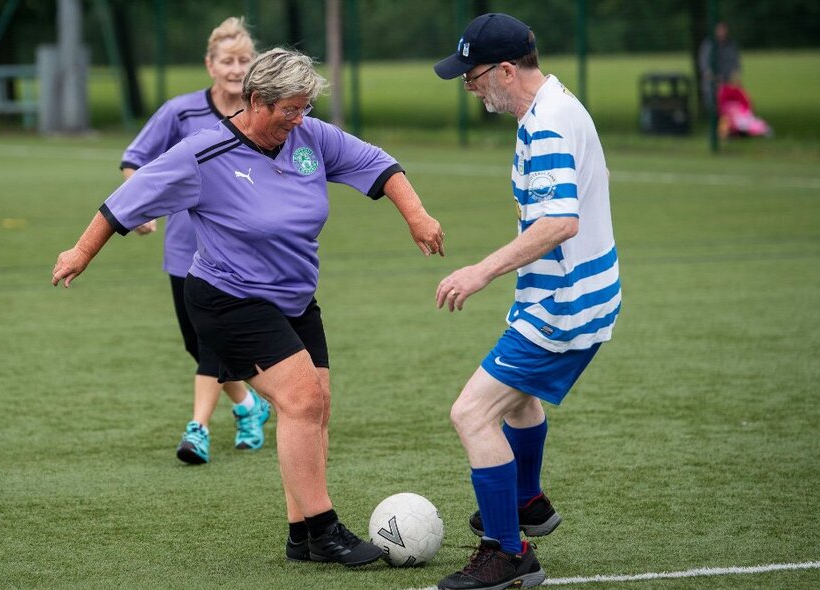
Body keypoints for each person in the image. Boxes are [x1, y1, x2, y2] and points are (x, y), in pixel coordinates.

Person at [53, 47, 445, 566]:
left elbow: (377, 163)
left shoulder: (310, 136)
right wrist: (81, 251)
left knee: (316, 407)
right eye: (290, 109)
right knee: (301, 400)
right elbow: (124, 201)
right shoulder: (202, 153)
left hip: (295, 299)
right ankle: (327, 532)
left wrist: (416, 215)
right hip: (228, 299)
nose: (299, 119)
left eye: (304, 108)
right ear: (256, 99)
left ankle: (301, 535)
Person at [433, 13, 621, 590]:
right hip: (573, 294)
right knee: (517, 401)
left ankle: (508, 555)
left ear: (507, 70)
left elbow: (560, 221)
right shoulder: (553, 106)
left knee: (471, 413)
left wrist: (481, 270)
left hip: (564, 305)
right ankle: (528, 502)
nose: (467, 84)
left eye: (473, 73)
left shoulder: (548, 125)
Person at [120, 17, 271, 465]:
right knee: (197, 344)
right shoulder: (180, 112)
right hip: (183, 252)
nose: (236, 68)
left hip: (235, 255)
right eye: (228, 60)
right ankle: (249, 406)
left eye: (245, 60)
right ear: (210, 65)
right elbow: (135, 162)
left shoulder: (258, 115)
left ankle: (198, 430)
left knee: (211, 345)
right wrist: (139, 210)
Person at [698, 21, 741, 113]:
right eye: (719, 30)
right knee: (713, 101)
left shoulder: (731, 45)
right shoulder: (708, 45)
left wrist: (734, 77)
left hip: (727, 82)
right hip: (713, 83)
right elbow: (704, 67)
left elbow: (735, 64)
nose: (722, 33)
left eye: (723, 30)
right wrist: (716, 80)